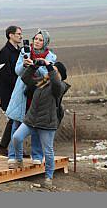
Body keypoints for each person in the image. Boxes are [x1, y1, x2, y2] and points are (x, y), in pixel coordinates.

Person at [13, 60, 70, 188]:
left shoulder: (60, 86)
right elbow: (25, 78)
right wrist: (35, 66)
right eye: (51, 70)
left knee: (48, 151)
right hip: (31, 120)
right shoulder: (43, 82)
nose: (50, 72)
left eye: (54, 70)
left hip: (46, 124)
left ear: (59, 74)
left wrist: (49, 66)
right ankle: (19, 161)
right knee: (16, 137)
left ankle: (48, 178)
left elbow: (55, 83)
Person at [6, 29, 56, 169]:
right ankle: (13, 156)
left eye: (40, 40)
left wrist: (37, 65)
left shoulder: (50, 56)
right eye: (36, 39)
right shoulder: (24, 52)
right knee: (16, 123)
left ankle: (37, 156)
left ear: (45, 42)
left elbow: (47, 76)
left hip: (39, 92)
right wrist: (25, 65)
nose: (37, 42)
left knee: (36, 124)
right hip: (22, 92)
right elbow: (17, 71)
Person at [0, 26, 22, 156]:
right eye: (18, 34)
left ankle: (10, 147)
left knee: (17, 119)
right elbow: (5, 75)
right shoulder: (4, 52)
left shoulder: (21, 51)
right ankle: (4, 147)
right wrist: (20, 84)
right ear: (10, 35)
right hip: (10, 91)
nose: (20, 36)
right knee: (14, 118)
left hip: (20, 90)